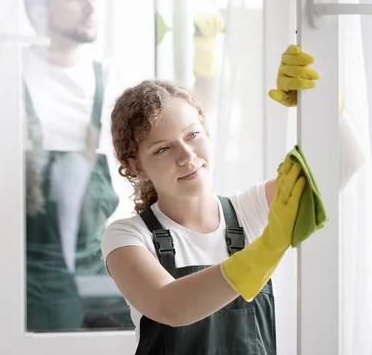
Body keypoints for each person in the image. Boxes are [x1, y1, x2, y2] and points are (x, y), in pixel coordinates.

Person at [0, 0, 224, 332]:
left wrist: (207, 64)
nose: (90, 5)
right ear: (39, 11)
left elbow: (191, 119)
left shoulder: (111, 79)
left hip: (97, 256)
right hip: (27, 263)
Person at [101, 45, 366, 353]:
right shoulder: (127, 237)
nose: (187, 156)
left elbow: (343, 165)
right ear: (135, 166)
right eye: (162, 149)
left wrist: (326, 103)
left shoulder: (250, 209)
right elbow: (170, 305)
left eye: (192, 135)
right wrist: (268, 247)